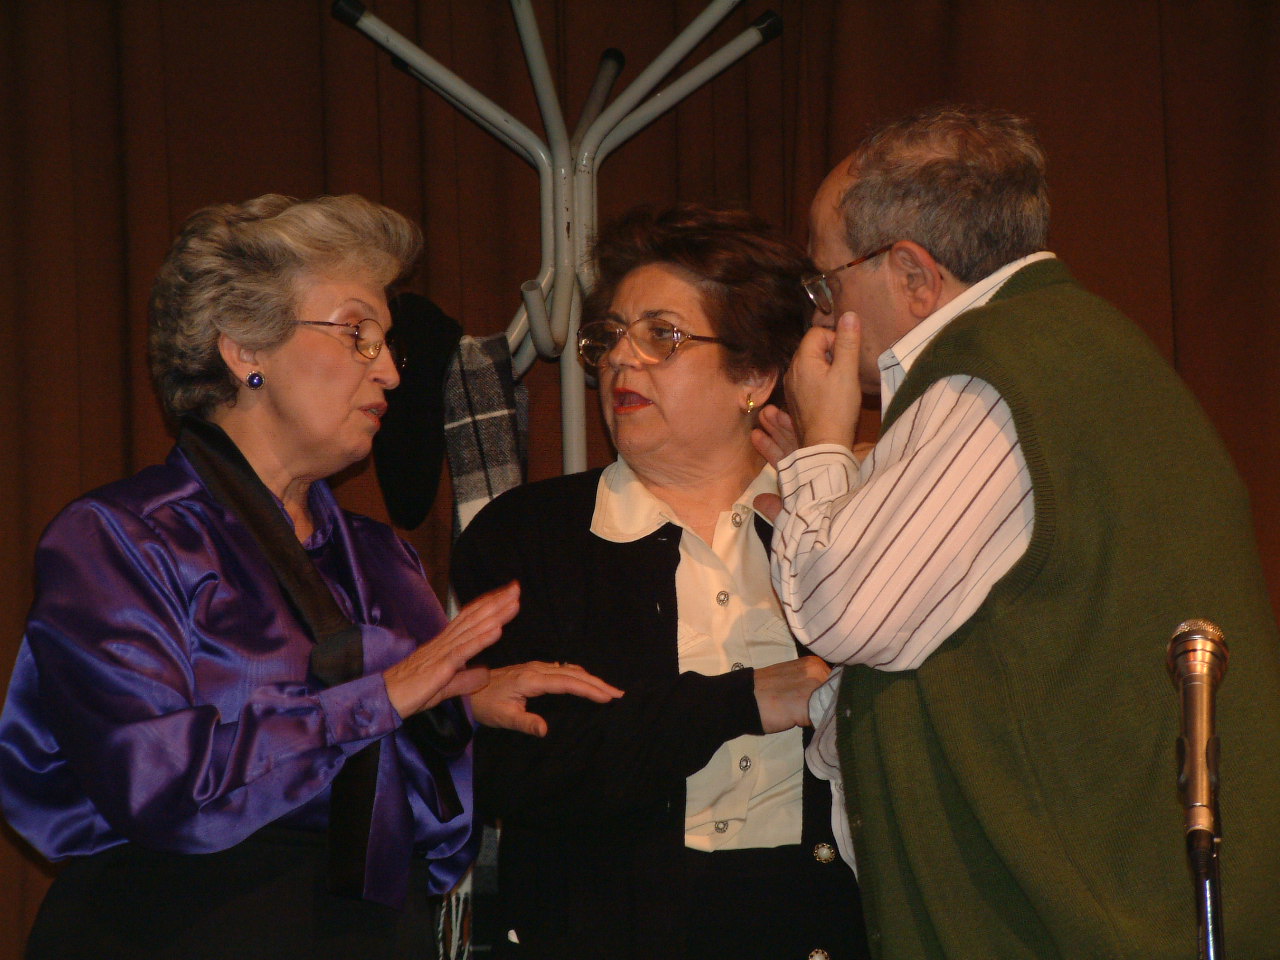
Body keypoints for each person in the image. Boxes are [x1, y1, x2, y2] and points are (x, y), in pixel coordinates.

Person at [0, 193, 621, 960]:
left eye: (388, 344)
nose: (389, 371)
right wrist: (381, 701)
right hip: (177, 926)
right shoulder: (123, 538)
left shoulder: (383, 560)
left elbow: (435, 836)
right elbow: (154, 782)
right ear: (244, 349)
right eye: (358, 334)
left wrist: (460, 708)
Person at [753, 106, 1280, 958]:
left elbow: (841, 611)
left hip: (1069, 921)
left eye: (827, 281)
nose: (820, 315)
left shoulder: (989, 375)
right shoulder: (1073, 347)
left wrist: (821, 445)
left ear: (912, 274)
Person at [451, 204, 869, 960]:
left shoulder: (837, 526)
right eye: (610, 336)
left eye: (661, 336)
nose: (621, 359)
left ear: (754, 376)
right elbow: (516, 766)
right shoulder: (529, 535)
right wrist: (742, 700)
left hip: (814, 929)